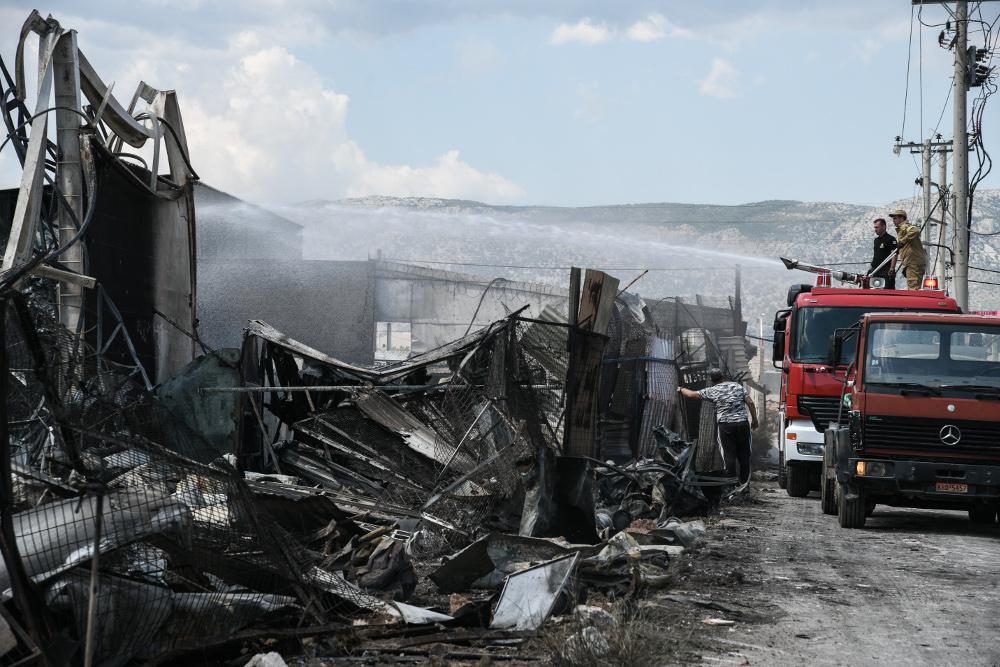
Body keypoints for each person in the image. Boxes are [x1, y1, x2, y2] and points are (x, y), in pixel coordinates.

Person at [678, 369, 758, 484]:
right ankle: (745, 486)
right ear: (723, 376)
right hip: (742, 424)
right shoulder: (737, 386)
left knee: (728, 457)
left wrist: (681, 389)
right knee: (744, 457)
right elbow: (750, 402)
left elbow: (692, 395)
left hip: (726, 427)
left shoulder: (713, 390)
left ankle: (732, 486)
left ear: (711, 380)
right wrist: (754, 420)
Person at [889, 209, 927, 290]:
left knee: (913, 289)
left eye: (895, 218)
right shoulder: (901, 229)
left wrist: (903, 240)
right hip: (910, 263)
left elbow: (915, 231)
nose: (893, 220)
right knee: (912, 287)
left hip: (913, 263)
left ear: (902, 218)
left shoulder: (904, 226)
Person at [868, 217, 897, 289]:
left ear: (884, 227)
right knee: (870, 289)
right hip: (875, 269)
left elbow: (894, 254)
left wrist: (892, 269)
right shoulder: (876, 240)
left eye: (877, 227)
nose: (875, 229)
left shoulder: (891, 239)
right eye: (875, 227)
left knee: (888, 290)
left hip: (886, 270)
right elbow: (876, 255)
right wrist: (871, 268)